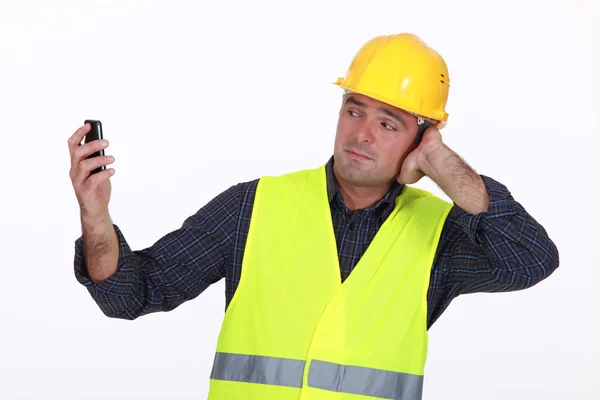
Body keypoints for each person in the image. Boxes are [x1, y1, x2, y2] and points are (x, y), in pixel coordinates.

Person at [68, 33, 559, 399]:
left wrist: (444, 165)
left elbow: (532, 259)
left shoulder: (441, 237)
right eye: (354, 109)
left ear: (421, 139)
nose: (362, 133)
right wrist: (96, 214)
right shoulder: (252, 206)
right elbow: (130, 294)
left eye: (389, 123)